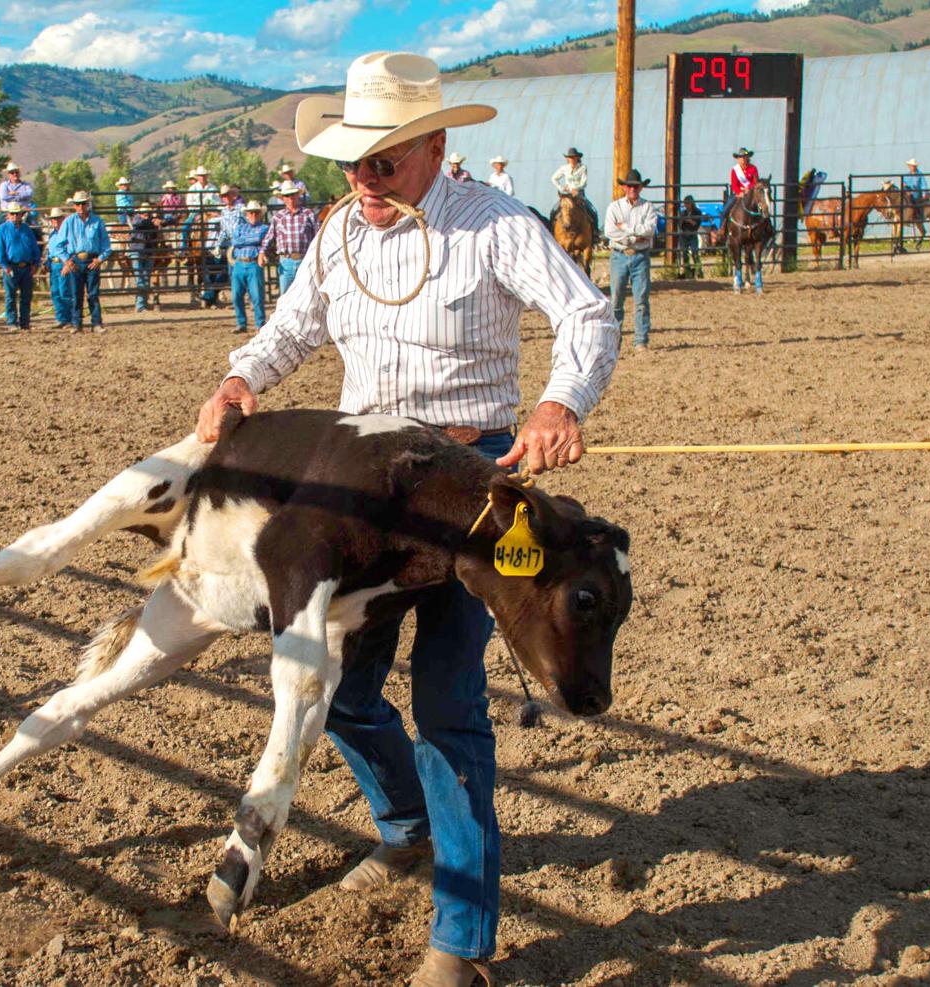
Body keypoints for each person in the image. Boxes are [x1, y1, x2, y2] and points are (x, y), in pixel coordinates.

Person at [195, 50, 618, 987]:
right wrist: (241, 377)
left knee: (450, 705)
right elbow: (291, 328)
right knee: (338, 692)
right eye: (351, 163)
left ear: (432, 146)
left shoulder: (497, 224)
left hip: (476, 489)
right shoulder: (340, 230)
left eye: (381, 162)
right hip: (365, 498)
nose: (362, 180)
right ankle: (406, 827)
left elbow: (586, 316)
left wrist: (561, 405)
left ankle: (459, 944)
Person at [605, 169, 656, 352]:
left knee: (641, 299)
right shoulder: (614, 207)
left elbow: (650, 230)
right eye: (630, 186)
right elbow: (610, 231)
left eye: (635, 186)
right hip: (620, 254)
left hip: (639, 256)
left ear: (640, 187)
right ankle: (615, 340)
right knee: (616, 300)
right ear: (624, 187)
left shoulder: (647, 206)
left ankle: (641, 339)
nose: (633, 189)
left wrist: (625, 228)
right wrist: (635, 236)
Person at [55, 190, 112, 335]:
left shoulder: (97, 221)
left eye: (83, 204)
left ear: (87, 204)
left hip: (93, 260)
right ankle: (76, 324)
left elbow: (106, 244)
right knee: (76, 293)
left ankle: (96, 323)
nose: (81, 207)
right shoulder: (68, 222)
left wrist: (100, 258)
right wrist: (67, 260)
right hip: (75, 261)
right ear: (74, 206)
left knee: (93, 293)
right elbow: (58, 245)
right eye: (78, 204)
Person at [260, 179, 317, 295]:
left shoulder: (308, 214)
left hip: (305, 260)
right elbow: (269, 236)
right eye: (287, 196)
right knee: (285, 297)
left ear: (297, 196)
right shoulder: (278, 217)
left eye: (292, 195)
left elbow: (319, 235)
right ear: (283, 198)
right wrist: (262, 252)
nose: (290, 198)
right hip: (286, 261)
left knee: (307, 295)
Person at [0, 201, 42, 332]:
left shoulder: (27, 229)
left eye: (17, 214)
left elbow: (34, 247)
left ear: (21, 215)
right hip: (11, 266)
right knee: (11, 296)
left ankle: (25, 322)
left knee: (26, 296)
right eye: (12, 214)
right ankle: (12, 322)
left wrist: (36, 263)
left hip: (26, 267)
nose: (15, 216)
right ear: (8, 215)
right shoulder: (2, 229)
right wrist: (4, 265)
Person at [221, 199, 270, 334]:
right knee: (236, 295)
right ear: (247, 214)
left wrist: (246, 240)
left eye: (256, 213)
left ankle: (259, 323)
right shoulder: (241, 228)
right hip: (239, 263)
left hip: (253, 263)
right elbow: (236, 241)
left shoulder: (263, 228)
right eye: (251, 213)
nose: (253, 215)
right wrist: (254, 240)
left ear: (260, 214)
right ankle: (241, 323)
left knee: (257, 296)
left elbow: (242, 240)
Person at [202, 184, 244, 308]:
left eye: (227, 195)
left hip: (238, 244)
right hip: (229, 245)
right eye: (223, 196)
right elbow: (224, 231)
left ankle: (240, 298)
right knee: (231, 273)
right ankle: (237, 299)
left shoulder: (241, 208)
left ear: (233, 195)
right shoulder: (224, 211)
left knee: (238, 271)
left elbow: (247, 224)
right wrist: (218, 245)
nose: (225, 198)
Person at [551, 146, 597, 236]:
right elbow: (554, 178)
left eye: (573, 157)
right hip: (566, 195)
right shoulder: (564, 168)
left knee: (593, 211)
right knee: (554, 210)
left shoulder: (583, 168)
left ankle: (595, 233)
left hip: (578, 194)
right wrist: (561, 188)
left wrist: (576, 188)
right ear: (567, 159)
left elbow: (584, 182)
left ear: (577, 158)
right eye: (570, 157)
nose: (571, 159)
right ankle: (552, 232)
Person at [719, 146, 759, 234]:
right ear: (738, 159)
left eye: (745, 157)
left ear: (748, 157)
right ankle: (722, 230)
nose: (743, 159)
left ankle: (768, 228)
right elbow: (734, 185)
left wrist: (748, 188)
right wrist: (739, 193)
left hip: (751, 193)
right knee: (725, 210)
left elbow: (755, 181)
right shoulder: (735, 170)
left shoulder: (753, 168)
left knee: (762, 206)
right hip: (739, 193)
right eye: (741, 157)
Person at [128, 201, 159, 314]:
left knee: (145, 278)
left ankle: (141, 304)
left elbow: (155, 234)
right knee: (141, 279)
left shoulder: (147, 221)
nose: (146, 213)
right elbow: (139, 223)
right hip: (137, 250)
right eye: (144, 211)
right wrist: (153, 222)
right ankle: (141, 305)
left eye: (148, 212)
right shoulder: (137, 218)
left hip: (147, 251)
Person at [43, 206, 72, 329]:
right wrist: (47, 262)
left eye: (57, 219)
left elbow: (71, 250)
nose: (55, 221)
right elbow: (51, 251)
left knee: (64, 291)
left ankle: (69, 318)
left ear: (62, 219)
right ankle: (61, 318)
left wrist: (67, 264)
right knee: (55, 292)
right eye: (53, 219)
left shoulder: (67, 234)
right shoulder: (52, 235)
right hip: (54, 264)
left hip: (63, 263)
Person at [678, 194, 703, 278]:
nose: (686, 205)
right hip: (684, 234)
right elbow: (680, 224)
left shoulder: (697, 212)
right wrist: (683, 220)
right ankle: (687, 271)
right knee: (684, 253)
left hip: (692, 233)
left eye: (687, 203)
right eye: (685, 204)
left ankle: (698, 271)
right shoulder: (683, 212)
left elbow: (697, 224)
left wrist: (689, 220)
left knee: (695, 252)